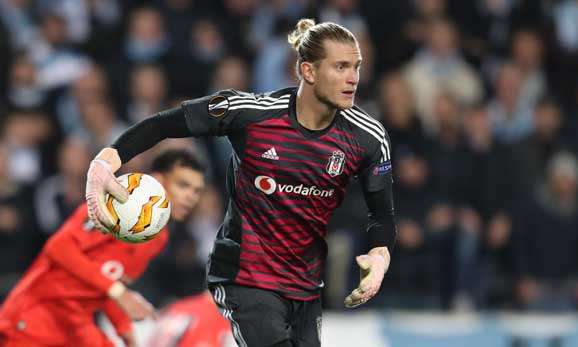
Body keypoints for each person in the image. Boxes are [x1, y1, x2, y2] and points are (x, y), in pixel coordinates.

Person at [86, 19, 396, 347]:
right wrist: (105, 162)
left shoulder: (368, 138)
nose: (353, 78)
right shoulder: (252, 114)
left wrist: (379, 253)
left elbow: (382, 212)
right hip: (243, 276)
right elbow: (165, 124)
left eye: (356, 67)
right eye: (341, 66)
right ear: (309, 71)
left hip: (304, 285)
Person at [0, 150, 206, 347]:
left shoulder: (157, 238)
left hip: (72, 327)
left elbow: (106, 285)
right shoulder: (116, 206)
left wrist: (124, 329)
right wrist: (117, 292)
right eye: (183, 185)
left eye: (196, 191)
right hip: (34, 319)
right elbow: (59, 248)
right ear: (158, 181)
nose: (190, 197)